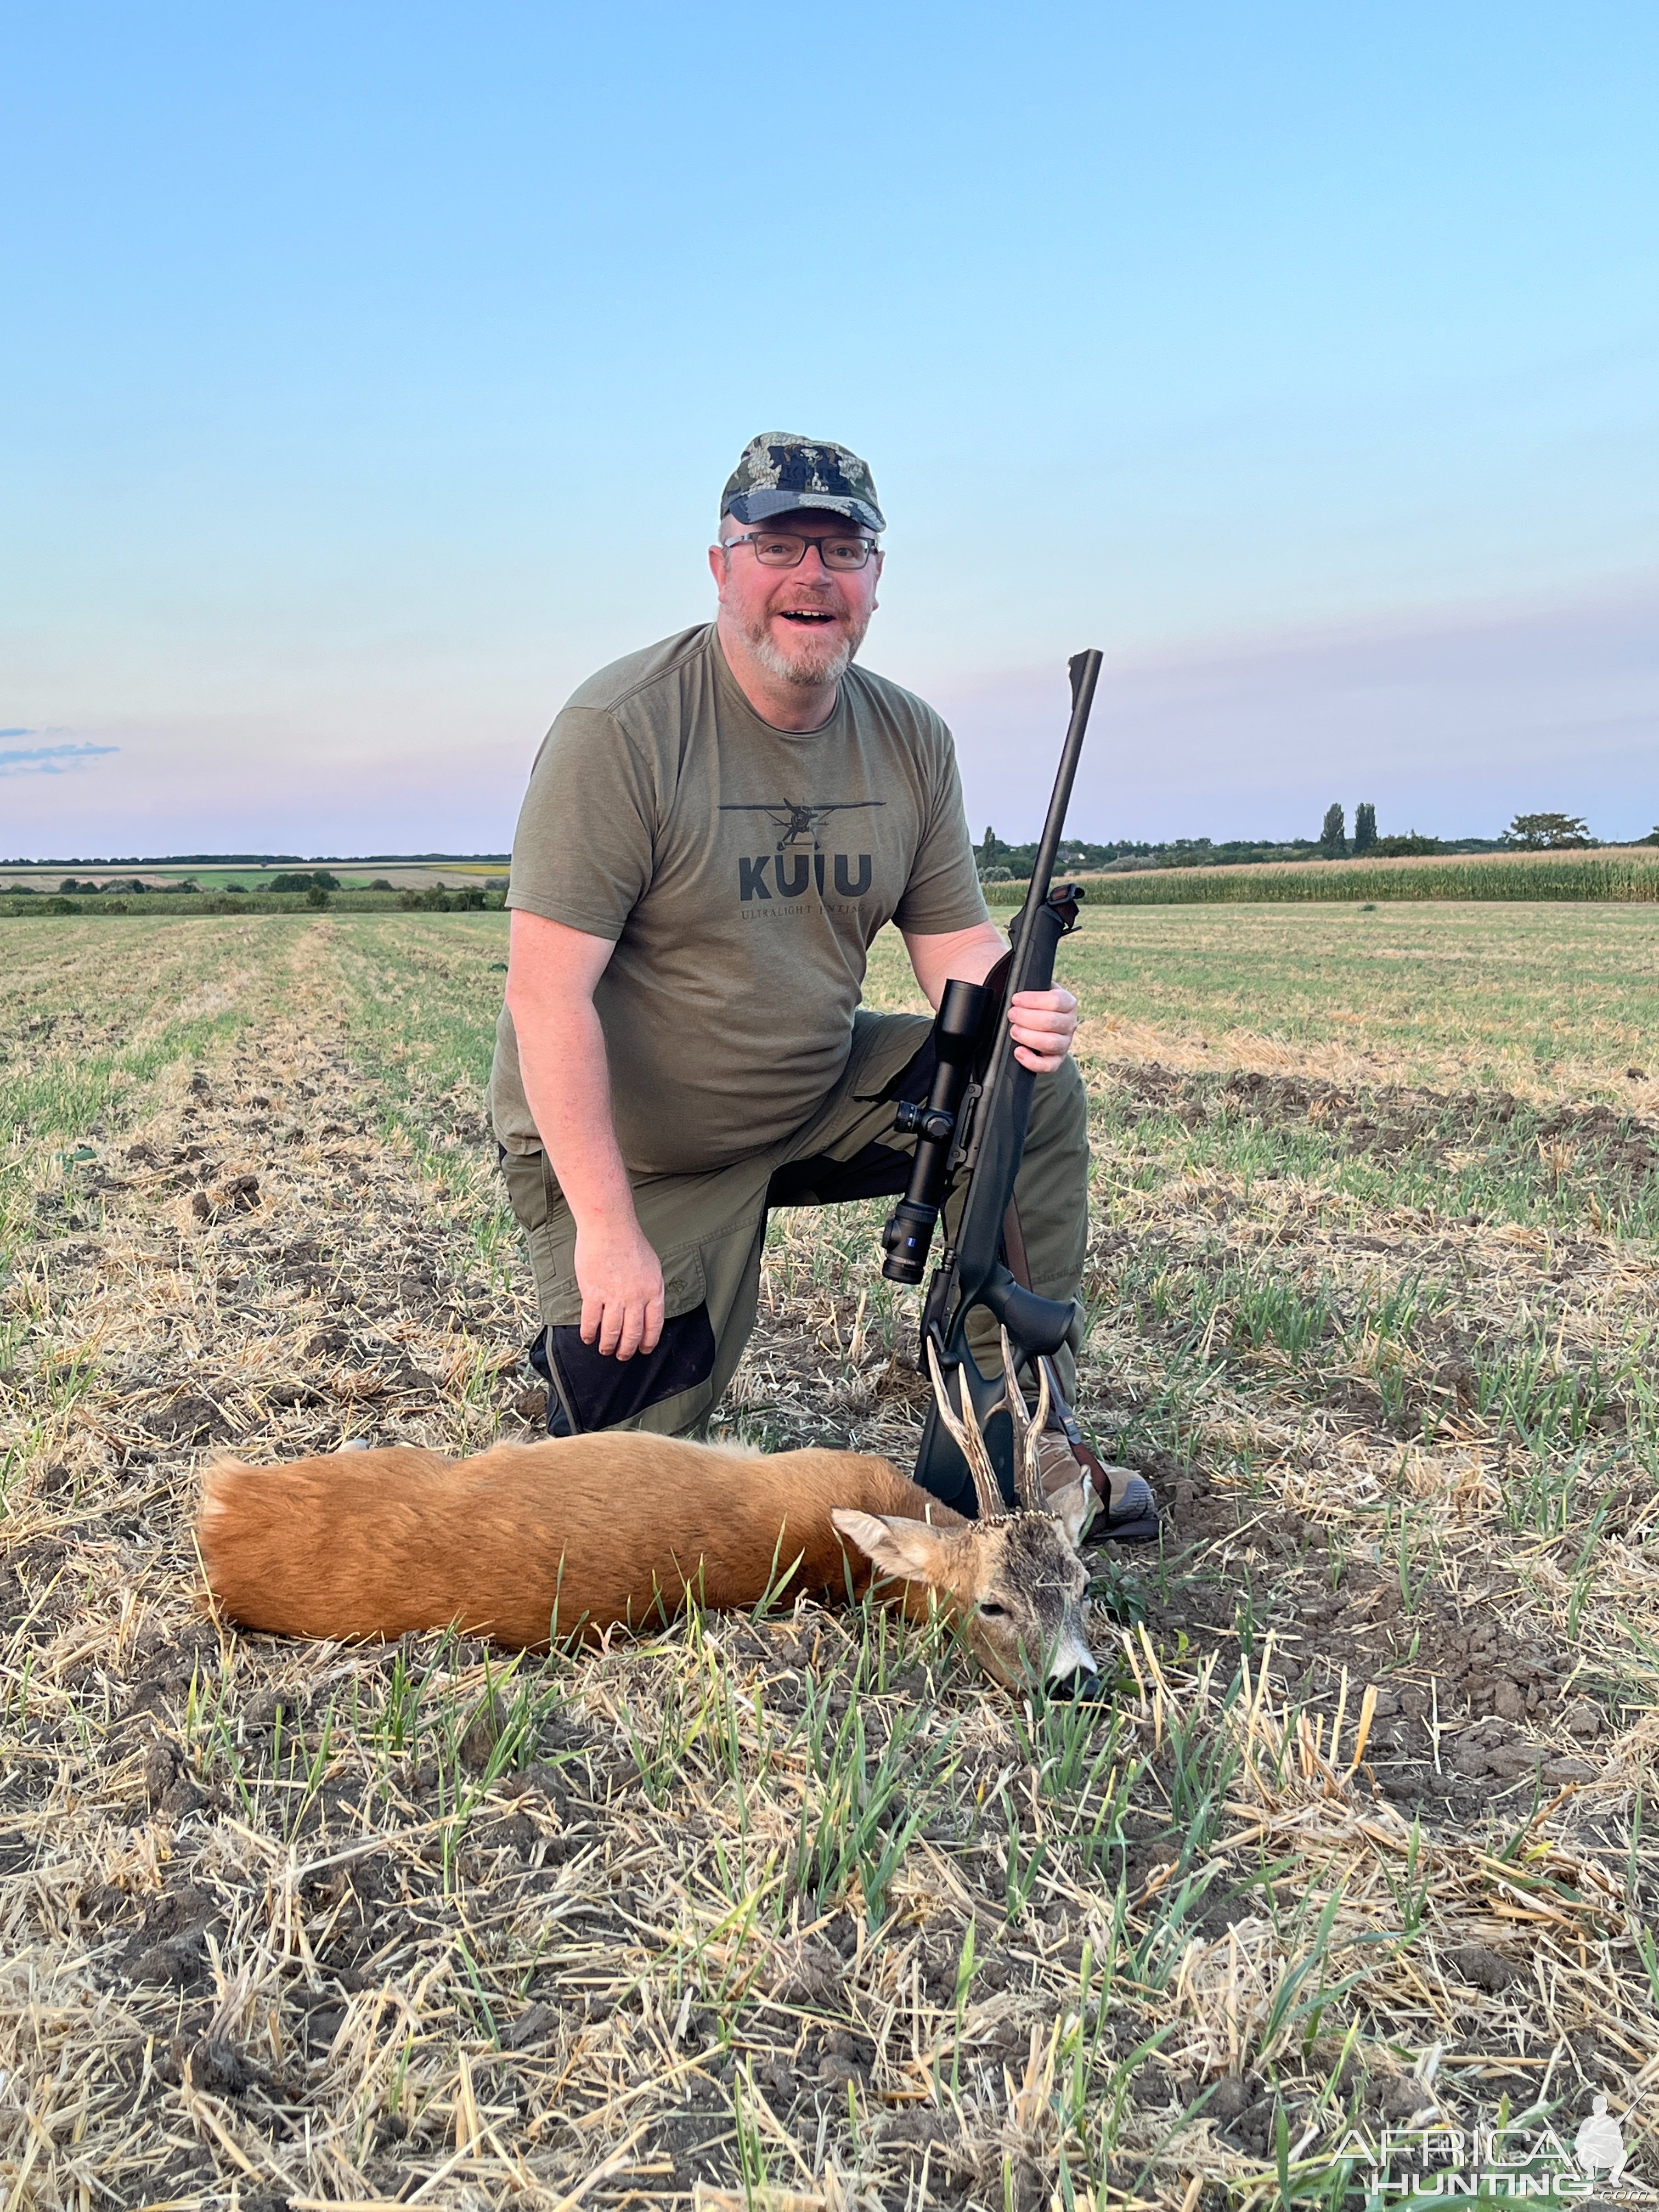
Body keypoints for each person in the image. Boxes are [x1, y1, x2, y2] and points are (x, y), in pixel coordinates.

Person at [488, 432, 1155, 1537]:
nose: (812, 576)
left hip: (810, 1096)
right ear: (722, 568)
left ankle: (1020, 1434)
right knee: (614, 1508)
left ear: (876, 582)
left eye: (842, 550)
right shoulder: (620, 731)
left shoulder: (909, 739)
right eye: (779, 545)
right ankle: (581, 1343)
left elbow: (956, 953)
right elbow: (545, 997)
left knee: (1024, 1085)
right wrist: (609, 1230)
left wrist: (1021, 1003)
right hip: (635, 1147)